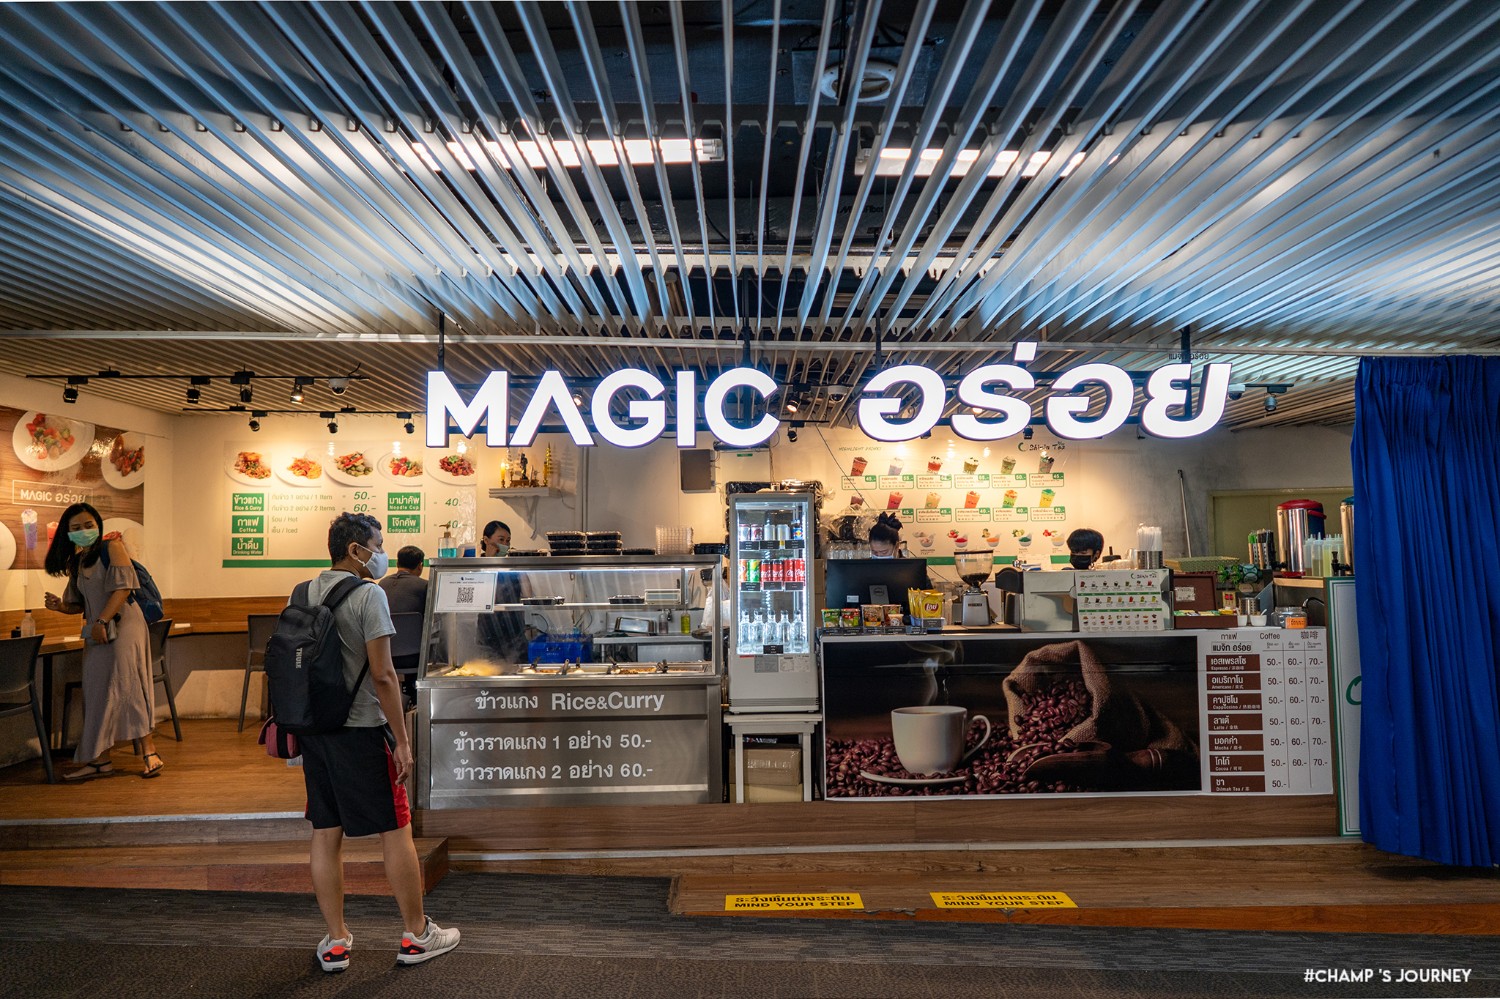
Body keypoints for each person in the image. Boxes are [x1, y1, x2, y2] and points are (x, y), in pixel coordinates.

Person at [298, 512, 459, 972]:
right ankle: (417, 934)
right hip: (362, 730)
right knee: (396, 827)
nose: (382, 553)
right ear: (355, 550)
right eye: (377, 544)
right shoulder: (369, 594)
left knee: (326, 831)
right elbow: (384, 675)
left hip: (316, 731)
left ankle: (336, 942)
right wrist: (403, 741)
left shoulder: (302, 592)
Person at [43, 502, 162, 781]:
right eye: (76, 528)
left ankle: (150, 753)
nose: (83, 531)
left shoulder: (113, 548)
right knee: (96, 691)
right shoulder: (78, 561)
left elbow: (123, 588)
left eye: (88, 525)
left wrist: (101, 620)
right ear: (67, 533)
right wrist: (60, 606)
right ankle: (100, 760)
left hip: (123, 626)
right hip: (98, 631)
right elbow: (78, 604)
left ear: (98, 525)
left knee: (129, 685)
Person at [378, 545, 428, 615]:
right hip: (412, 622)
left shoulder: (382, 583)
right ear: (420, 566)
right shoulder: (425, 585)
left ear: (397, 563)